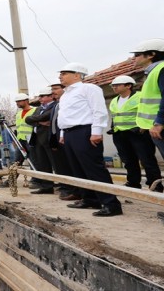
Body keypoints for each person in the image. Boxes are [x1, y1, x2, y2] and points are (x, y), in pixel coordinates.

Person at [131, 39, 164, 233]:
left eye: (137, 54)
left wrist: (159, 122)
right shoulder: (154, 71)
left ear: (151, 54)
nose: (134, 58)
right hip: (161, 128)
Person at [58, 62, 123, 217]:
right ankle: (90, 198)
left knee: (94, 168)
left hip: (85, 131)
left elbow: (98, 111)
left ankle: (111, 203)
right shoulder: (66, 94)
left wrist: (96, 131)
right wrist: (62, 134)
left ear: (77, 75)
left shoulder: (89, 89)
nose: (60, 76)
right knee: (78, 168)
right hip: (69, 133)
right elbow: (65, 116)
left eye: (64, 73)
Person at [107, 75, 163, 192]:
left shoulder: (140, 97)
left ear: (128, 86)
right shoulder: (114, 100)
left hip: (138, 133)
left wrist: (146, 126)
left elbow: (150, 111)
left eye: (117, 85)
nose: (114, 87)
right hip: (120, 134)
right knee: (128, 161)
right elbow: (115, 116)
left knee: (147, 159)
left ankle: (155, 185)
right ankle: (133, 183)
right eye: (113, 85)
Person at [49, 80, 79, 200]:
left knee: (72, 166)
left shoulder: (69, 102)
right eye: (52, 90)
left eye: (56, 89)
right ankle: (70, 189)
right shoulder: (57, 105)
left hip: (70, 137)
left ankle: (77, 191)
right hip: (58, 139)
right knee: (62, 166)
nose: (53, 92)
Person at [25, 88, 57, 194]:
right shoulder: (39, 108)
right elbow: (28, 119)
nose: (40, 98)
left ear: (50, 96)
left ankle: (65, 188)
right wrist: (40, 122)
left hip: (49, 139)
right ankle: (47, 186)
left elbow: (45, 117)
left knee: (56, 163)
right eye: (40, 96)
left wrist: (37, 119)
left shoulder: (55, 106)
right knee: (43, 164)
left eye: (43, 96)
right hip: (38, 139)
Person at [14, 93, 35, 166]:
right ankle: (13, 177)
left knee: (33, 160)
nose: (17, 103)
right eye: (16, 102)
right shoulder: (18, 113)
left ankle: (35, 177)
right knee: (16, 161)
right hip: (20, 140)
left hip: (31, 140)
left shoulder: (35, 110)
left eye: (19, 101)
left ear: (26, 101)